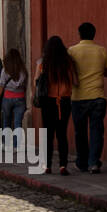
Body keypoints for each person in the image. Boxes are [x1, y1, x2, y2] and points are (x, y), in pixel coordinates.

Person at [69, 22, 107, 173]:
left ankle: (82, 162)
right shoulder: (101, 50)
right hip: (97, 96)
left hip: (78, 97)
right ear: (94, 34)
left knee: (80, 132)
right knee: (96, 131)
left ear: (79, 34)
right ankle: (94, 162)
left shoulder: (72, 51)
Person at [35, 35, 77, 175]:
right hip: (64, 101)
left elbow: (36, 81)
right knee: (62, 134)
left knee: (48, 134)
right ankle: (63, 165)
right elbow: (75, 81)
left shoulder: (43, 63)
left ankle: (47, 165)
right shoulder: (68, 62)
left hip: (47, 101)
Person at [0, 48, 28, 134]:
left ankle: (7, 144)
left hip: (7, 98)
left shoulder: (5, 70)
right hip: (20, 97)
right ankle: (17, 146)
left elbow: (1, 86)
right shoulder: (23, 70)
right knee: (18, 123)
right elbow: (25, 86)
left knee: (6, 123)